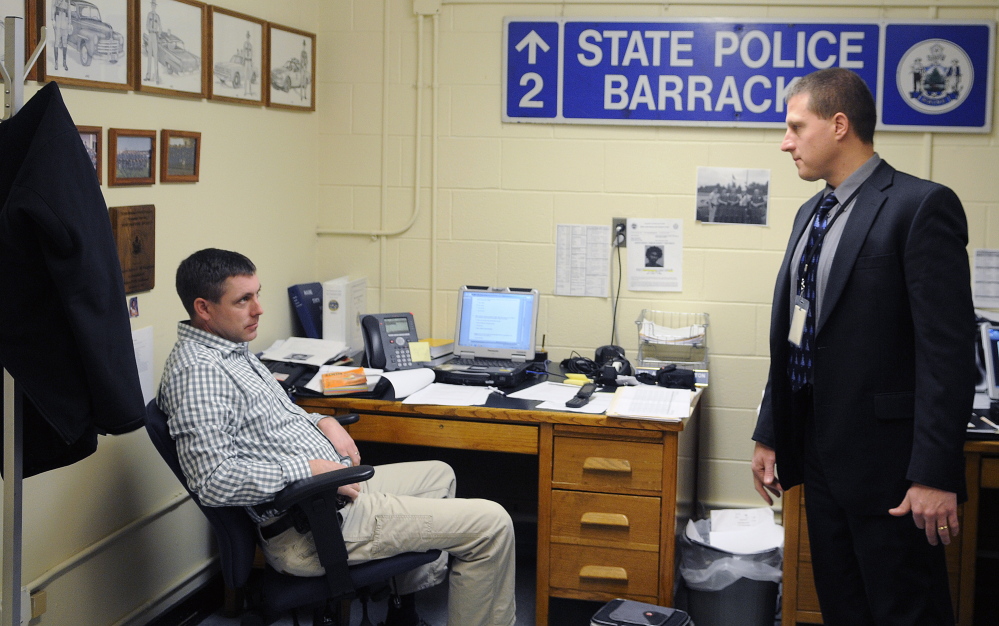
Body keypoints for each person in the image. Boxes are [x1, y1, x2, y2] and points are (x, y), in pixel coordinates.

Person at [157, 248, 516, 626]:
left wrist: (323, 422)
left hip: (329, 492)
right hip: (310, 527)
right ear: (203, 308)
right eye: (243, 300)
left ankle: (401, 613)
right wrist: (307, 468)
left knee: (439, 474)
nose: (259, 308)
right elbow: (213, 480)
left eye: (257, 294)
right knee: (492, 525)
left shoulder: (232, 351)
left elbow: (281, 418)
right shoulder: (197, 372)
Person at [751, 68, 975, 625]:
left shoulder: (919, 207)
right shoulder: (811, 214)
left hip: (893, 473)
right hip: (821, 458)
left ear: (840, 124)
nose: (786, 142)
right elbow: (799, 337)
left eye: (796, 127)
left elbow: (947, 355)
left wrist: (934, 473)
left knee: (906, 612)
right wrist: (771, 429)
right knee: (842, 607)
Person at [144, 0, 162, 84]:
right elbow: (147, 25)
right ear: (151, 6)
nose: (153, 6)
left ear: (156, 6)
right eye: (152, 5)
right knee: (149, 56)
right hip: (150, 35)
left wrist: (158, 32)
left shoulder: (157, 16)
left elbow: (160, 28)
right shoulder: (149, 14)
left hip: (155, 36)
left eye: (154, 5)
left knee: (155, 56)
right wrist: (150, 29)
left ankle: (157, 77)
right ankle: (148, 76)